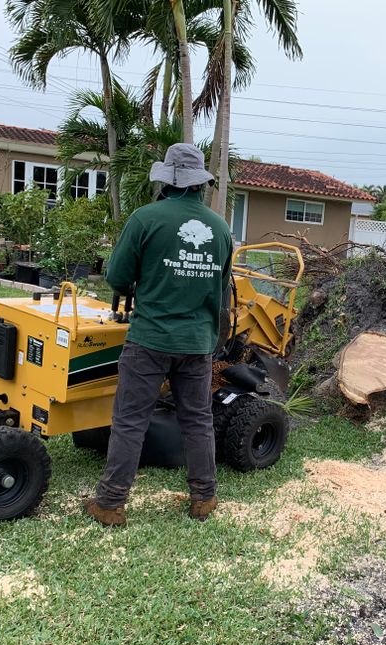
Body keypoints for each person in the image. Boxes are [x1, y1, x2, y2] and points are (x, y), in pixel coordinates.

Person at [84, 143, 233, 527]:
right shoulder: (220, 229)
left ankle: (111, 503)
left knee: (131, 420)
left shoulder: (145, 219)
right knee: (198, 420)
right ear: (200, 183)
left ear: (167, 179)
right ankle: (204, 497)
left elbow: (117, 278)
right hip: (197, 342)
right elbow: (220, 287)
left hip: (149, 339)